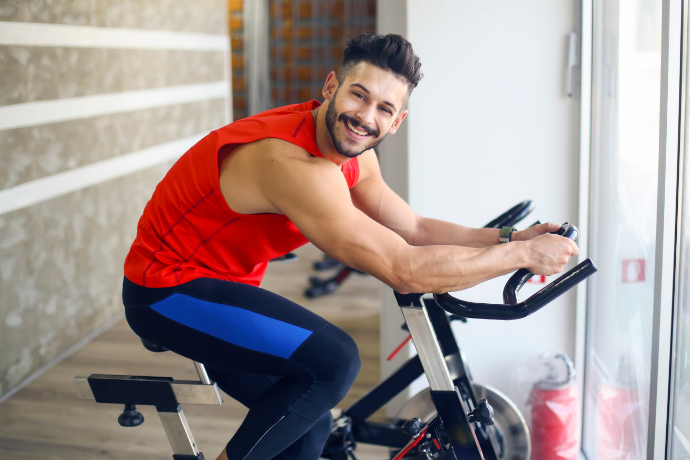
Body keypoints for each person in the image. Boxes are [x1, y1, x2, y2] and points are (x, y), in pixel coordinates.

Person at [121, 33, 579, 460]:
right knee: (336, 361)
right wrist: (521, 258)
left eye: (383, 108)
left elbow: (414, 228)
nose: (365, 117)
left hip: (222, 286)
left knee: (310, 426)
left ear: (397, 121)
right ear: (331, 86)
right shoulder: (290, 162)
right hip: (167, 293)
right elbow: (403, 267)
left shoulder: (354, 155)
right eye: (358, 95)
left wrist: (511, 239)